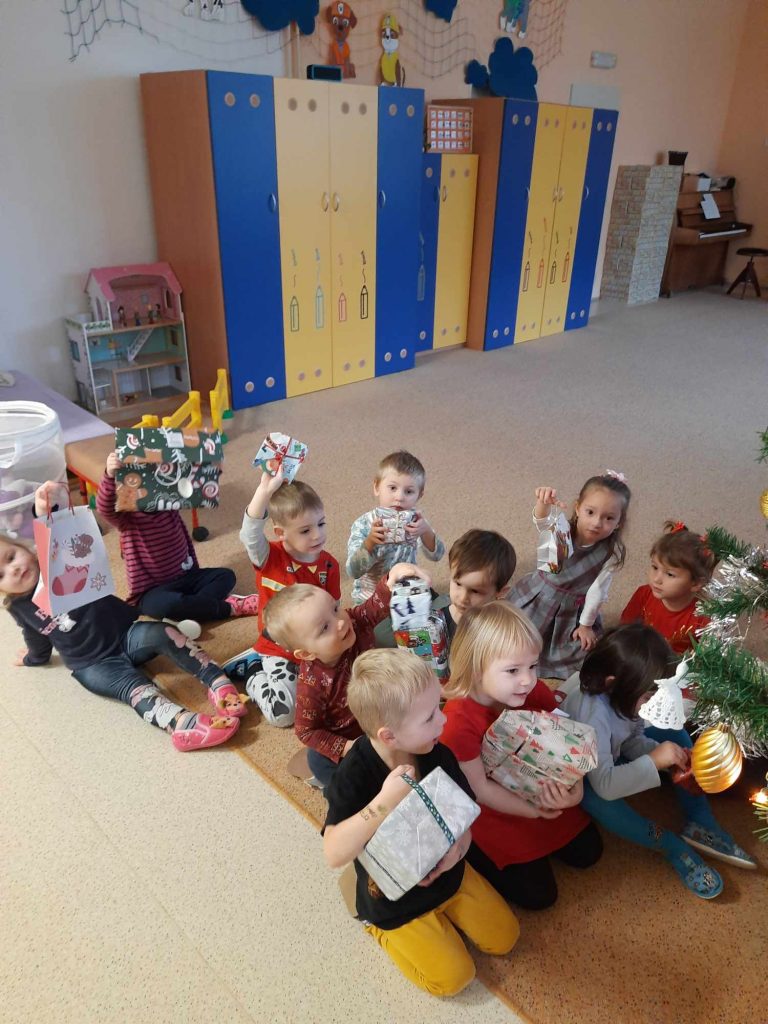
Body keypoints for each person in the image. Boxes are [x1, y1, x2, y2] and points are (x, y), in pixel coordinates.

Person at [323, 647, 520, 996]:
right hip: (394, 900)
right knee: (453, 979)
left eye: (438, 708)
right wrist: (384, 802)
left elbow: (463, 813)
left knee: (506, 938)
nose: (443, 721)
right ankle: (374, 926)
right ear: (389, 736)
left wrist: (458, 852)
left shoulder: (435, 751)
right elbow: (334, 852)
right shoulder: (353, 774)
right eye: (429, 717)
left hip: (449, 873)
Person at [3, 480, 244, 751]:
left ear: (26, 549)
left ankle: (215, 679)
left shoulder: (55, 561)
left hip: (126, 634)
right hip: (93, 665)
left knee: (164, 633)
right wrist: (33, 658)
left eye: (11, 557)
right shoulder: (18, 607)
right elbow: (34, 634)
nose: (13, 570)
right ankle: (181, 724)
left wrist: (45, 510)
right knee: (136, 690)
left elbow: (65, 533)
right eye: (1, 574)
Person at [561, 624, 756, 900]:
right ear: (612, 684)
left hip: (611, 751)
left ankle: (700, 820)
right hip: (588, 772)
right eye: (647, 697)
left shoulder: (623, 696)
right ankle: (670, 845)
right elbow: (604, 784)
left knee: (674, 733)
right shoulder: (593, 716)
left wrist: (666, 754)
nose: (651, 703)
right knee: (598, 800)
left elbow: (631, 737)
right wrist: (654, 760)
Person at [441, 601, 602, 910]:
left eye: (532, 665)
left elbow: (566, 742)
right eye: (513, 670)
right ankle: (471, 853)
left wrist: (576, 789)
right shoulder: (457, 723)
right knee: (539, 896)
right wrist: (534, 811)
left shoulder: (530, 690)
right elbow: (481, 790)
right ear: (475, 669)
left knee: (589, 853)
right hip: (496, 808)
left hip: (537, 785)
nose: (528, 679)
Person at [264, 562, 428, 791]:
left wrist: (392, 579)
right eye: (324, 628)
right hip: (353, 739)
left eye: (335, 608)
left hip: (383, 712)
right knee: (318, 761)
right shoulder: (312, 685)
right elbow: (306, 730)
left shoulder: (353, 622)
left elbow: (373, 606)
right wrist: (347, 747)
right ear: (307, 654)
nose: (340, 622)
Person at [97, 451, 257, 656]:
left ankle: (190, 612)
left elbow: (195, 484)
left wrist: (212, 468)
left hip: (187, 577)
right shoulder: (127, 518)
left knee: (226, 575)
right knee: (167, 604)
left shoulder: (170, 504)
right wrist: (109, 475)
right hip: (152, 590)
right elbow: (105, 507)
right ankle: (229, 608)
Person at [238, 466, 340, 727]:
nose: (317, 535)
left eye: (321, 524)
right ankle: (253, 671)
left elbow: (335, 610)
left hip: (315, 645)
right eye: (305, 531)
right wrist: (264, 491)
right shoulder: (268, 557)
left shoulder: (329, 565)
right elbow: (249, 534)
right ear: (280, 532)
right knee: (284, 714)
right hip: (278, 649)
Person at [508, 472, 631, 678]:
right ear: (577, 508)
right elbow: (542, 522)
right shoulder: (563, 528)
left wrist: (585, 625)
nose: (597, 523)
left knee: (586, 650)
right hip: (539, 596)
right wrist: (543, 502)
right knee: (511, 636)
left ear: (619, 522)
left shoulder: (611, 553)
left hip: (570, 611)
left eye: (609, 518)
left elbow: (597, 592)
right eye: (590, 512)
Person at [375, 528, 516, 653]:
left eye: (475, 591)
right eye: (458, 583)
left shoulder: (499, 634)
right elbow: (380, 637)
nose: (462, 598)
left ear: (501, 592)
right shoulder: (433, 611)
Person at [346, 450, 444, 604]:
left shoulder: (416, 522)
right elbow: (353, 571)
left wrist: (425, 531)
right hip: (369, 599)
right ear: (377, 487)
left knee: (437, 612)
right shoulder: (364, 524)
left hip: (406, 595)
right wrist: (370, 542)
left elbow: (437, 555)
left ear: (419, 495)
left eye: (409, 491)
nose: (399, 497)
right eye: (392, 488)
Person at [621, 520, 714, 654]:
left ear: (695, 583)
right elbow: (625, 629)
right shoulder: (644, 594)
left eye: (670, 574)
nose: (656, 579)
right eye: (655, 567)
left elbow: (707, 657)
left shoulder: (703, 617)